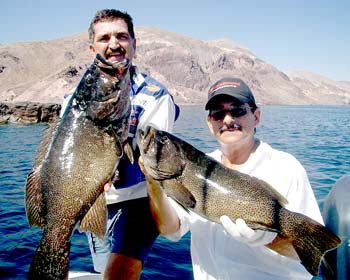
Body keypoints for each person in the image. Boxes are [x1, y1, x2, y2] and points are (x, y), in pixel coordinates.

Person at [142, 77, 324, 279]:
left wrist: (266, 237)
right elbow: (170, 229)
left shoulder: (287, 167)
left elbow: (303, 255)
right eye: (218, 114)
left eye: (237, 110)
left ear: (256, 116)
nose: (228, 120)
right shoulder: (194, 169)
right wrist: (153, 184)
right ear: (210, 123)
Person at [60, 9, 179, 280]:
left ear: (134, 44)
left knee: (117, 275)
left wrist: (107, 171)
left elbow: (152, 162)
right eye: (104, 38)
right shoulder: (71, 100)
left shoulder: (156, 98)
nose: (114, 44)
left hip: (138, 202)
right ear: (93, 47)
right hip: (93, 202)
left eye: (122, 36)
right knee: (103, 271)